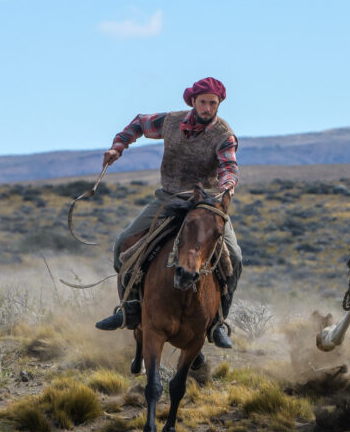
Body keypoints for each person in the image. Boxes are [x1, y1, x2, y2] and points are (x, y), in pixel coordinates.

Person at [93, 76, 242, 349]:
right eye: (203, 102)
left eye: (213, 103)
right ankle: (130, 308)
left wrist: (226, 187)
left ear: (219, 103)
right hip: (169, 198)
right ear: (192, 102)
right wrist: (118, 146)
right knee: (123, 244)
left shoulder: (224, 135)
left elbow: (228, 167)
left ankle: (218, 323)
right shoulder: (172, 121)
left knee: (235, 257)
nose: (208, 108)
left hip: (205, 205)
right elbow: (139, 123)